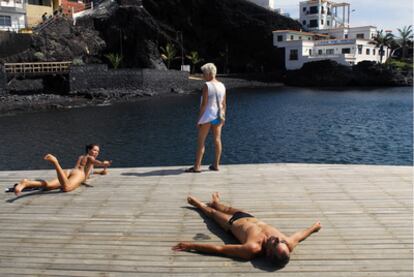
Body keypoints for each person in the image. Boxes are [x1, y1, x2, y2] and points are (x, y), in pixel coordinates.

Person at [173, 192, 322, 267]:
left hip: (231, 223)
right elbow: (300, 235)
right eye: (280, 240)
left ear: (269, 252)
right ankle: (216, 203)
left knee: (211, 213)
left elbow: (219, 249)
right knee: (227, 208)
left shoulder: (251, 249)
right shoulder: (286, 243)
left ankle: (198, 204)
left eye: (276, 243)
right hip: (250, 217)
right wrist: (314, 227)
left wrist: (191, 246)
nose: (278, 239)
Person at [14, 144, 111, 196]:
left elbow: (93, 170)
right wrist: (104, 163)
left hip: (69, 172)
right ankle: (56, 162)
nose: (96, 152)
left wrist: (103, 170)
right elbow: (96, 162)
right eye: (94, 150)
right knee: (67, 188)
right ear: (89, 150)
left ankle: (27, 183)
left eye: (98, 151)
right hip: (78, 174)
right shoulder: (90, 157)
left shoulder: (82, 157)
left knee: (48, 186)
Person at [186, 63, 226, 173]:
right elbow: (224, 104)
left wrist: (199, 120)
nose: (203, 76)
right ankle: (216, 165)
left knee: (201, 141)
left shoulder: (207, 85)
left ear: (209, 73)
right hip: (218, 116)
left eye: (204, 73)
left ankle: (197, 166)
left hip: (207, 116)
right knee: (217, 140)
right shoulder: (222, 85)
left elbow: (204, 105)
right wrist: (224, 117)